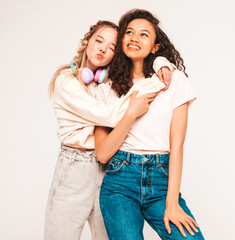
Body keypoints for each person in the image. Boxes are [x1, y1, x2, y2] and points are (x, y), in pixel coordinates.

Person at [45, 20, 174, 240]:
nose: (103, 48)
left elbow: (138, 66)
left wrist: (161, 62)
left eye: (113, 47)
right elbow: (111, 116)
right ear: (87, 41)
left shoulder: (106, 85)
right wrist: (137, 102)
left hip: (110, 167)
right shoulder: (66, 81)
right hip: (75, 167)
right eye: (99, 40)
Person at [94, 9, 205, 240]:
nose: (135, 38)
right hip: (120, 184)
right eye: (129, 32)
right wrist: (131, 113)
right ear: (122, 39)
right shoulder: (106, 90)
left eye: (144, 34)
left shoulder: (172, 81)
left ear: (155, 47)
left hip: (162, 181)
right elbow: (103, 154)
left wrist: (172, 202)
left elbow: (178, 144)